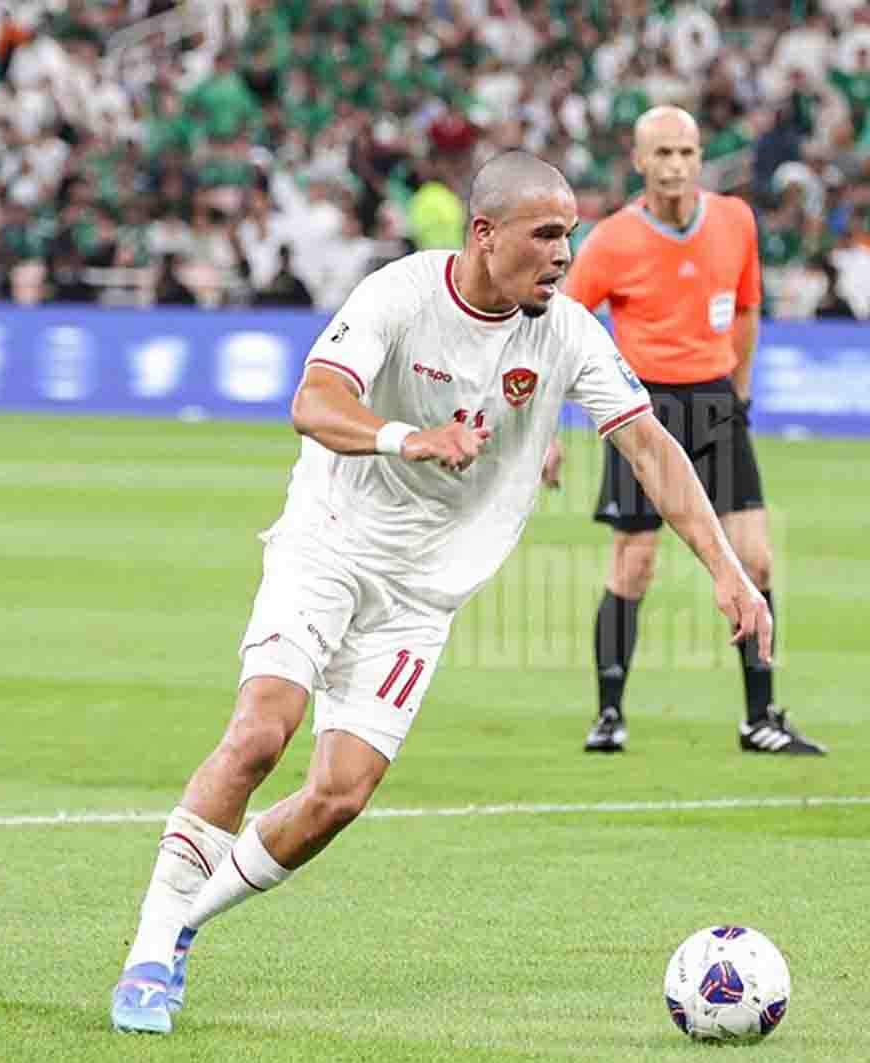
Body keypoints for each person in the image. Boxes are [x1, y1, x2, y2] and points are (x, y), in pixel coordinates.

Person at [108, 151, 773, 1035]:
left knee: (340, 793)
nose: (564, 254)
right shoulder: (401, 294)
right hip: (329, 549)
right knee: (261, 730)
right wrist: (404, 439)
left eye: (569, 235)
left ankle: (186, 918)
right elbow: (313, 402)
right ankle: (148, 950)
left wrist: (728, 568)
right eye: (546, 235)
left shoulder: (566, 332)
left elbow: (649, 447)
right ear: (484, 233)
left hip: (423, 597)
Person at [556, 105, 824, 756]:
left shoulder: (735, 220)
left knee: (754, 558)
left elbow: (749, 308)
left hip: (716, 402)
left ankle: (760, 717)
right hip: (642, 410)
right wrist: (552, 427)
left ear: (701, 159)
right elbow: (563, 324)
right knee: (635, 565)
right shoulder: (612, 239)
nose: (675, 165)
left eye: (686, 153)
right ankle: (609, 713)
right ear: (639, 161)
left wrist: (741, 389)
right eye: (663, 154)